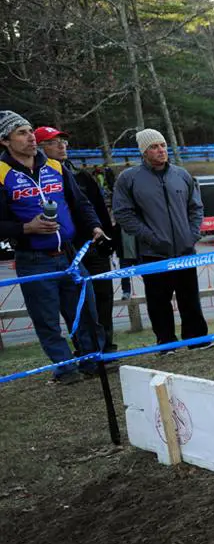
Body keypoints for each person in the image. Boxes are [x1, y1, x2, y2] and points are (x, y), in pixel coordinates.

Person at [0, 111, 107, 383]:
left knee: (85, 313)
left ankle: (92, 361)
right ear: (5, 141)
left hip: (71, 255)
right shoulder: (1, 174)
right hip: (34, 258)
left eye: (30, 131)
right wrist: (26, 228)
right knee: (47, 320)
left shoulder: (56, 167)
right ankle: (65, 368)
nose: (30, 137)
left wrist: (94, 225)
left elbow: (80, 202)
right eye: (21, 133)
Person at [112, 128, 210, 352]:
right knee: (158, 301)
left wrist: (192, 235)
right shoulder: (129, 178)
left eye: (163, 145)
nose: (161, 150)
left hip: (185, 250)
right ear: (144, 152)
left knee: (190, 298)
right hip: (153, 252)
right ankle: (166, 342)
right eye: (154, 147)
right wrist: (150, 237)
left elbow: (196, 208)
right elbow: (123, 213)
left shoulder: (182, 175)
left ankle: (196, 339)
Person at [35, 126, 118, 353]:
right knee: (76, 306)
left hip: (94, 248)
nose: (62, 146)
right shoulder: (38, 180)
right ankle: (85, 351)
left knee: (103, 299)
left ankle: (107, 349)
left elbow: (98, 209)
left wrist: (107, 239)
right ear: (40, 148)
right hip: (68, 250)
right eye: (54, 142)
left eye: (64, 142)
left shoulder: (82, 176)